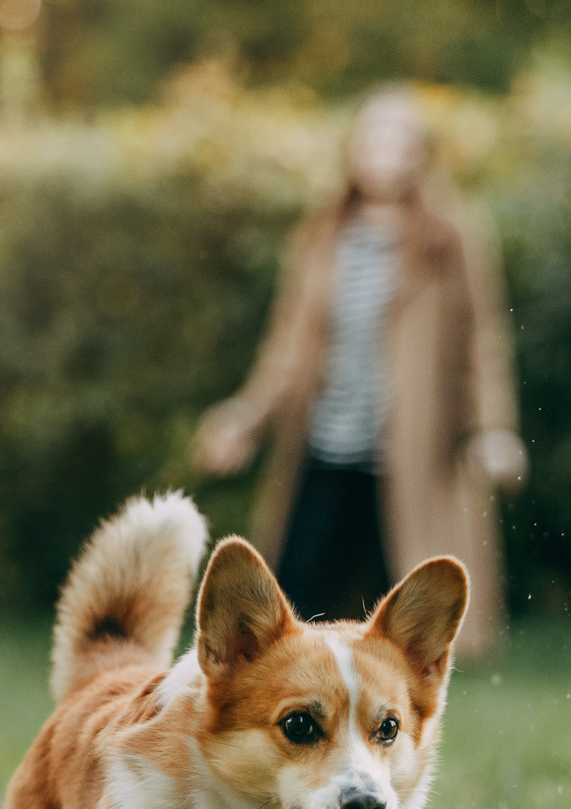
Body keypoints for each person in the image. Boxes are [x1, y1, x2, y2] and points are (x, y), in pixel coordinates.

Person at [193, 87, 526, 659]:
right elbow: (287, 348)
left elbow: (482, 341)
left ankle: (392, 736)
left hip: (408, 455)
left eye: (400, 140)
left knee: (401, 625)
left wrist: (491, 428)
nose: (385, 153)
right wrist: (245, 419)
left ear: (421, 153)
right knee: (291, 602)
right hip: (326, 445)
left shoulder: (452, 234)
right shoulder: (323, 234)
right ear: (354, 149)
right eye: (374, 138)